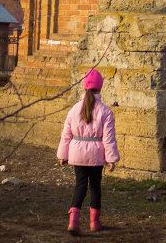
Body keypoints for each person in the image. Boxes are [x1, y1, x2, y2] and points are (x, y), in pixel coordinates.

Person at [57, 68, 119, 235]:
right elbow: (109, 138)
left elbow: (66, 135)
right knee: (95, 186)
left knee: (80, 185)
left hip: (77, 153)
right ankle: (94, 222)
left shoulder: (74, 109)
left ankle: (73, 221)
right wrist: (111, 158)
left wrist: (63, 155)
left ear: (84, 87)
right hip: (96, 155)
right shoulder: (106, 111)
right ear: (100, 88)